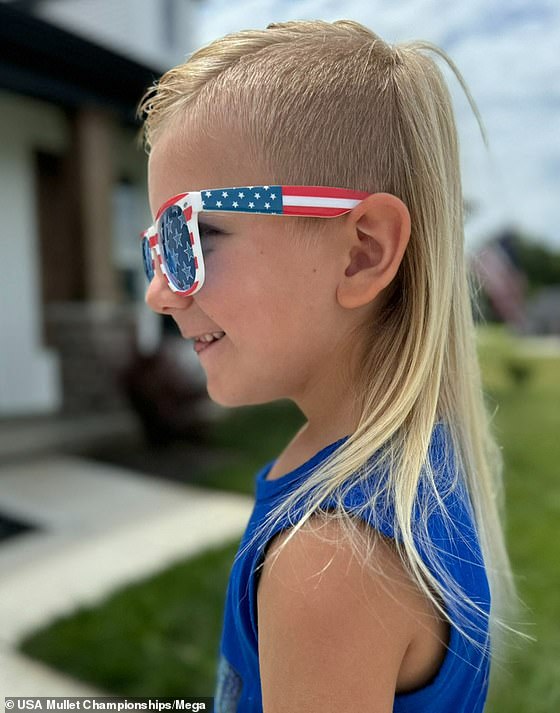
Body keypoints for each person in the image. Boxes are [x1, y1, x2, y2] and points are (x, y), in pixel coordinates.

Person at [136, 18, 528, 713]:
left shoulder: (330, 563)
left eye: (189, 233)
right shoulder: (388, 461)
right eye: (154, 245)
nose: (160, 289)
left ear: (363, 252)